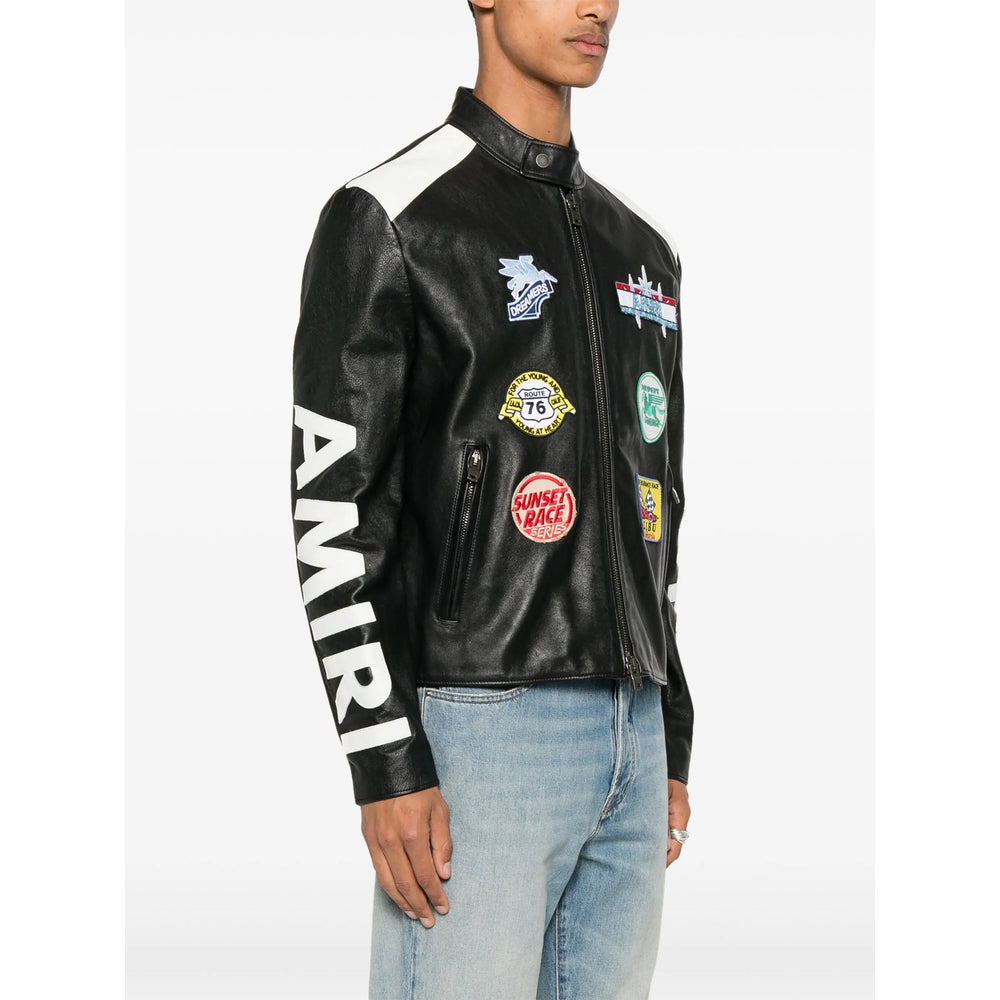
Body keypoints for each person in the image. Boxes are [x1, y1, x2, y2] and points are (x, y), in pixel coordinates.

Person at [289, 1, 694, 996]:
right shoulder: (392, 217)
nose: (598, 6)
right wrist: (387, 760)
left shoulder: (641, 252)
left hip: (634, 730)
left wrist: (669, 727)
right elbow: (333, 513)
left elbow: (658, 510)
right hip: (481, 734)